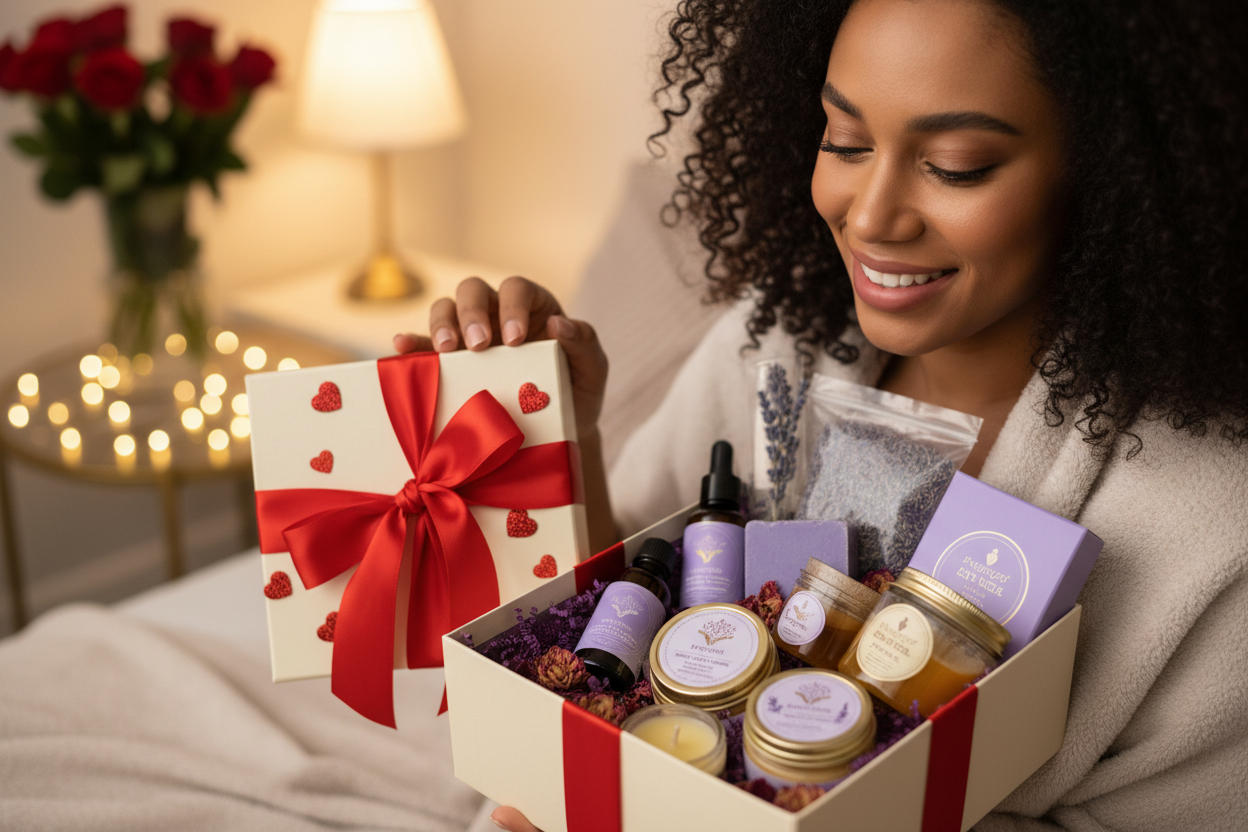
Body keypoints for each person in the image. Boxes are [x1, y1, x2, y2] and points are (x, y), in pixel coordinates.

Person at [395, 0, 1248, 828]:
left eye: (954, 164)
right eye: (844, 142)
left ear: (1113, 172)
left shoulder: (1211, 526)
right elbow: (616, 602)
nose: (870, 216)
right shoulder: (776, 348)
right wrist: (563, 439)